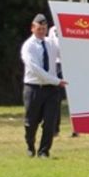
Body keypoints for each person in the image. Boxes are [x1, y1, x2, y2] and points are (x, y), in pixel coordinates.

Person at [19, 13, 66, 158]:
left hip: (51, 89)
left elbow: (67, 52)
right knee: (31, 121)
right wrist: (56, 80)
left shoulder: (51, 42)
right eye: (39, 29)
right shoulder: (28, 46)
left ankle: (44, 151)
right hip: (34, 88)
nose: (42, 32)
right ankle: (30, 146)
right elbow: (35, 69)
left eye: (44, 29)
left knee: (50, 121)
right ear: (32, 28)